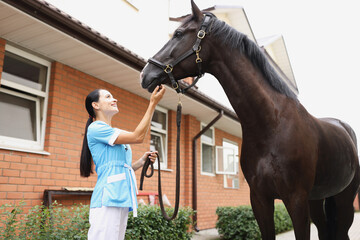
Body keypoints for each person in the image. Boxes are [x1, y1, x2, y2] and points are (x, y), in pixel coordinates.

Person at [80, 85, 166, 240]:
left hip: (121, 197)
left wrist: (141, 161)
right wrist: (152, 103)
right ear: (96, 105)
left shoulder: (113, 132)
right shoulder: (96, 128)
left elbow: (122, 168)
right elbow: (137, 137)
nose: (114, 99)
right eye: (108, 97)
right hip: (107, 199)